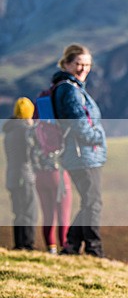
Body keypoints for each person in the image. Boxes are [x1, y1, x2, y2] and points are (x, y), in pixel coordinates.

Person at [51, 44, 107, 257]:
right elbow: (79, 124)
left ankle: (71, 246)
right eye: (78, 64)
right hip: (82, 154)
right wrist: (99, 137)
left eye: (87, 65)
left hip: (82, 154)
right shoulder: (70, 90)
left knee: (90, 201)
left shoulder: (70, 88)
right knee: (93, 203)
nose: (83, 69)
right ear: (66, 64)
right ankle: (94, 250)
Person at [34, 87, 73, 256]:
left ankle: (51, 249)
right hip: (58, 173)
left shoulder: (35, 126)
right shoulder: (59, 124)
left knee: (48, 215)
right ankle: (65, 247)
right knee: (63, 215)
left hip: (39, 174)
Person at [4, 97, 38, 250]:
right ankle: (27, 244)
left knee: (18, 212)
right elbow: (29, 153)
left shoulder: (9, 130)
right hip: (24, 175)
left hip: (11, 175)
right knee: (29, 211)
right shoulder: (25, 130)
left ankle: (19, 244)